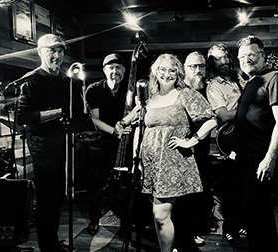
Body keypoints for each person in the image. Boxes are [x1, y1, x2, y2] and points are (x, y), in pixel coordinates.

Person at [139, 53, 217, 252]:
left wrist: (191, 140)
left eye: (172, 70)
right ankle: (172, 248)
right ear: (155, 72)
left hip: (172, 163)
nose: (167, 74)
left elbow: (211, 120)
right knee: (161, 217)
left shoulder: (185, 94)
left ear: (178, 73)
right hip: (151, 165)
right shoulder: (151, 97)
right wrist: (139, 160)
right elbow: (144, 129)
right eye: (162, 70)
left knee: (160, 214)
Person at [16, 34, 75, 252]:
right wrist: (59, 112)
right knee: (46, 202)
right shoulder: (31, 81)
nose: (57, 56)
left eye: (60, 51)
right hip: (43, 150)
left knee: (58, 198)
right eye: (52, 51)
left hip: (63, 148)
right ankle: (48, 248)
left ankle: (52, 242)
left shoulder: (64, 81)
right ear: (41, 52)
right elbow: (23, 116)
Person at [235, 35, 278, 252]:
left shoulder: (275, 78)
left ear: (263, 56)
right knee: (253, 214)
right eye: (242, 56)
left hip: (260, 157)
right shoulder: (251, 81)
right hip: (246, 156)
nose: (246, 59)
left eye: (252, 55)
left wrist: (269, 159)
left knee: (258, 215)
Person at [84, 53, 139, 237]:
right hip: (101, 141)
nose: (115, 72)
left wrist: (124, 125)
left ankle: (125, 221)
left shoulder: (130, 90)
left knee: (125, 183)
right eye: (111, 68)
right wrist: (114, 130)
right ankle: (94, 219)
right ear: (104, 71)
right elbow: (95, 119)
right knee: (96, 184)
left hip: (125, 141)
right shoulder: (94, 90)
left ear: (124, 71)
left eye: (118, 68)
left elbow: (138, 110)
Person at [206, 43, 246, 247]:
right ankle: (229, 230)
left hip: (248, 138)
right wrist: (250, 113)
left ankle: (241, 223)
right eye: (218, 59)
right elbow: (222, 114)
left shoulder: (240, 78)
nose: (224, 61)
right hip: (230, 139)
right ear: (211, 63)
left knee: (246, 186)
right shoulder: (214, 85)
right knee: (232, 188)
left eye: (226, 57)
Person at [172, 51, 213, 251]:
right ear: (184, 69)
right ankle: (183, 236)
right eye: (193, 66)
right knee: (183, 198)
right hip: (182, 152)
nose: (198, 70)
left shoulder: (206, 89)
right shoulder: (179, 90)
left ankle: (191, 231)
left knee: (199, 193)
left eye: (201, 66)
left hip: (200, 150)